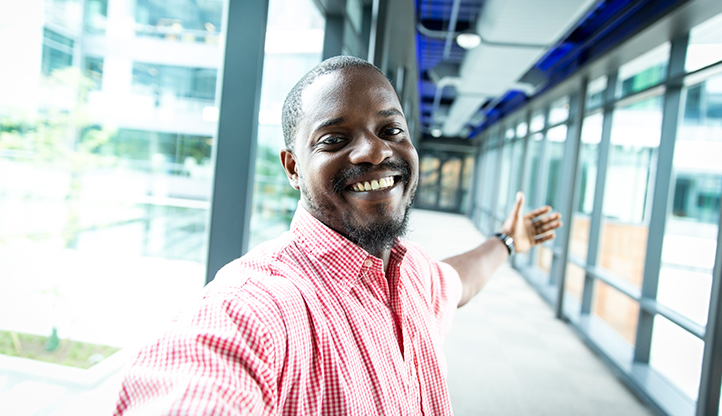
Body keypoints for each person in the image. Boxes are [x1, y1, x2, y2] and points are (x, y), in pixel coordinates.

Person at [114, 56, 561, 415]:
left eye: (391, 130)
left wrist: (505, 240)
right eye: (334, 139)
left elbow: (457, 281)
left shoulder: (411, 274)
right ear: (293, 167)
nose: (375, 150)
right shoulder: (254, 307)